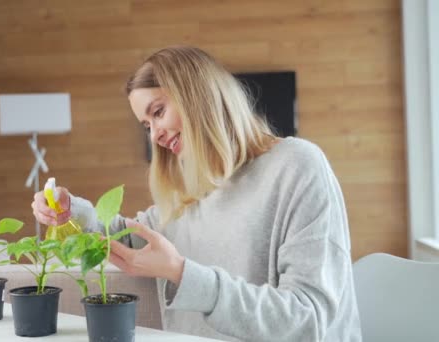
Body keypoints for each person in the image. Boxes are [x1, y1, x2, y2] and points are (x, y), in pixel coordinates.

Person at [32, 46, 362, 341]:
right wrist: (71, 210)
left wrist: (182, 273)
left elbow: (307, 320)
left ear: (196, 93)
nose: (155, 135)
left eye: (157, 112)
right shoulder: (191, 186)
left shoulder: (297, 166)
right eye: (146, 126)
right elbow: (131, 238)